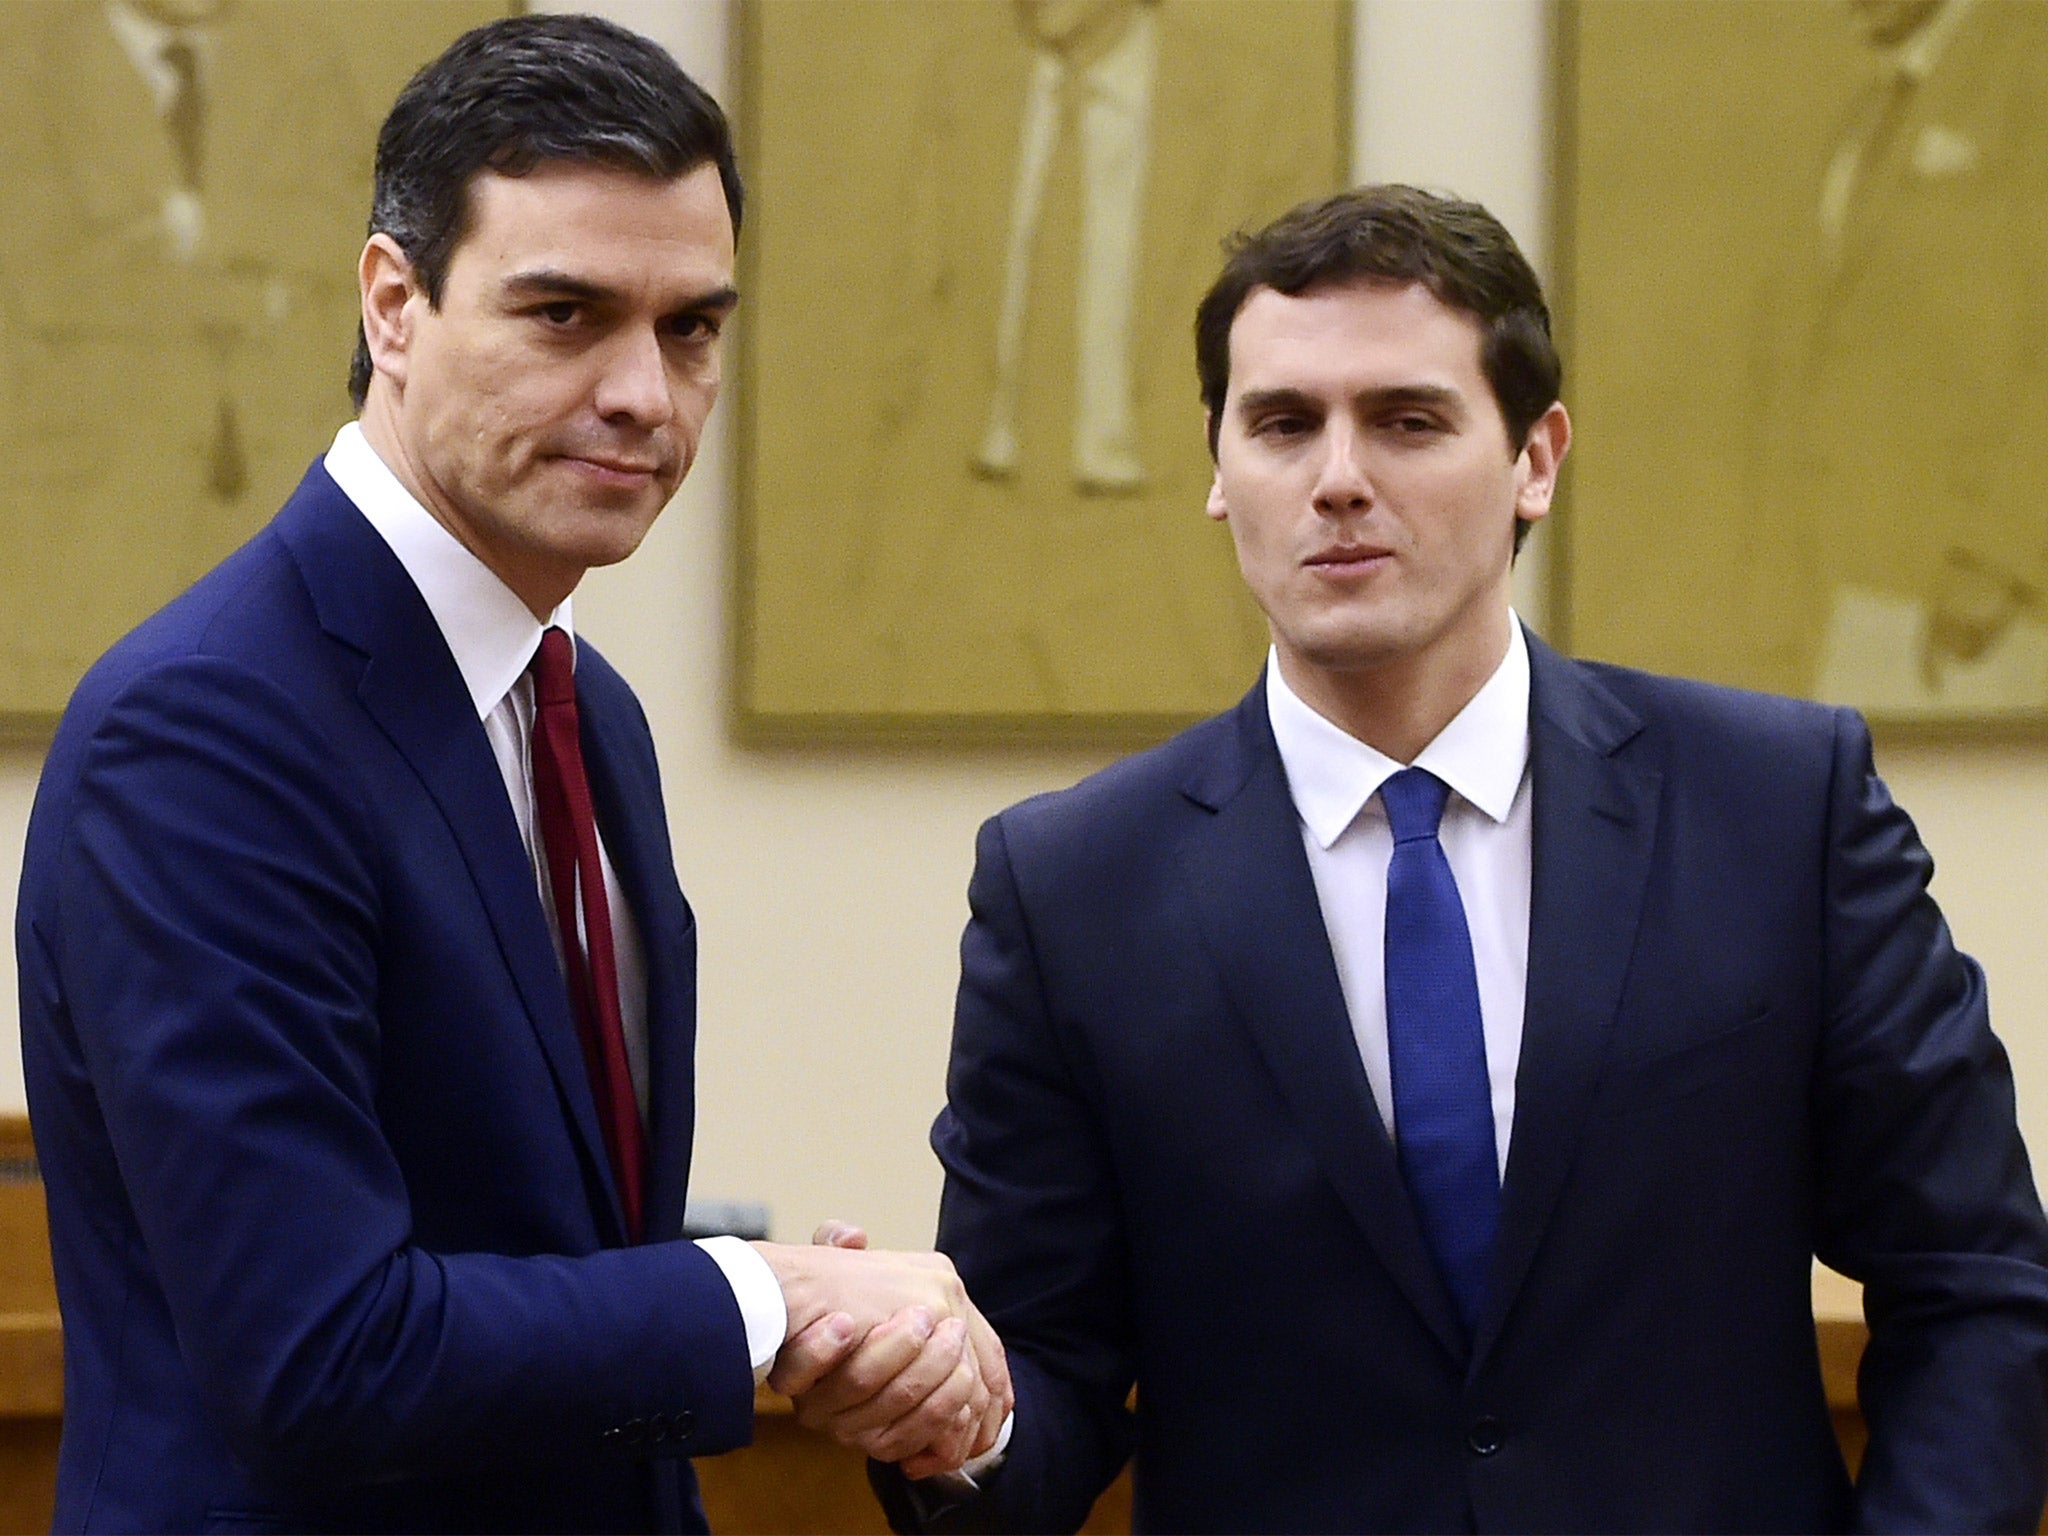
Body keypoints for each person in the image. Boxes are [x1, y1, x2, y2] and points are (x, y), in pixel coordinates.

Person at [858, 184, 2048, 1532]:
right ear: (1215, 465)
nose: (1340, 476)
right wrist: (949, 1417)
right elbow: (1048, 1376)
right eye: (1283, 424)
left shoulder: (1780, 809)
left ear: (1537, 458)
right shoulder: (1071, 886)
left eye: (1410, 421)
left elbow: (1972, 1279)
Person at [15, 15, 1006, 1533]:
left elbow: (555, 1250)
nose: (644, 394)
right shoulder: (206, 727)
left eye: (691, 328)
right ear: (392, 303)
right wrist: (762, 1297)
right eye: (565, 315)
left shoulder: (581, 703)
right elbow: (321, 1355)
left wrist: (797, 1330)